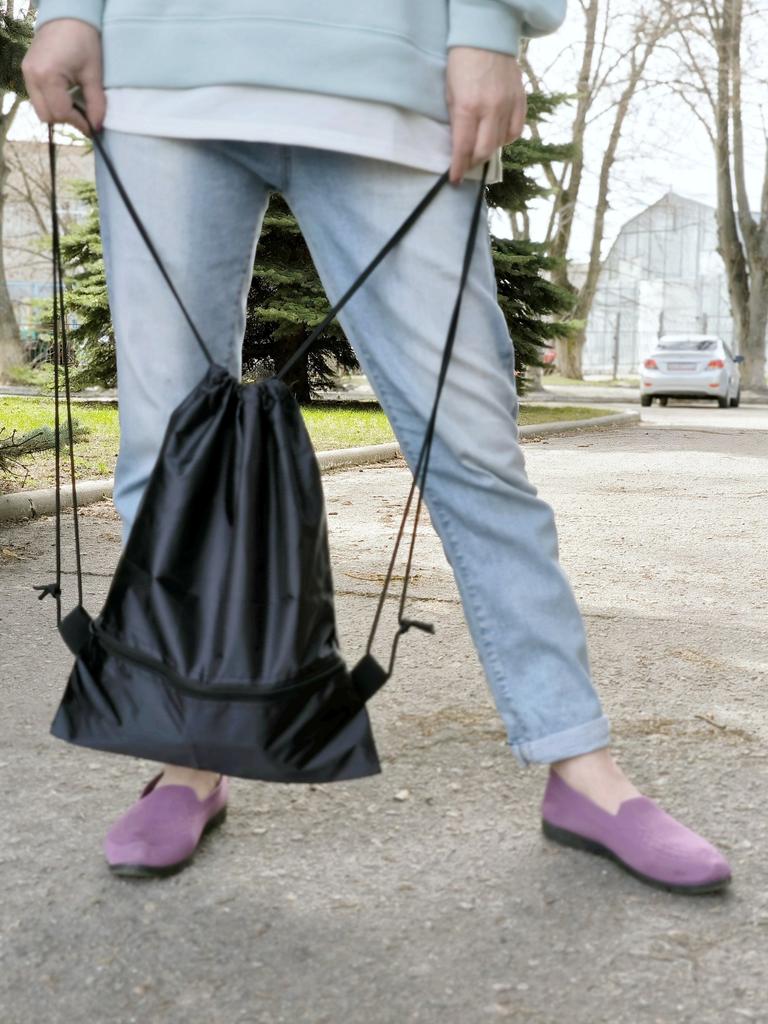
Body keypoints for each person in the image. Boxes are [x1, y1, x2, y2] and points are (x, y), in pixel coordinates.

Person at [22, 1, 731, 893]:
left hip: (388, 74)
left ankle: (580, 763)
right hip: (158, 73)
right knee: (168, 458)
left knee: (472, 445)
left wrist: (489, 26)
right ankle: (187, 756)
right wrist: (68, 10)